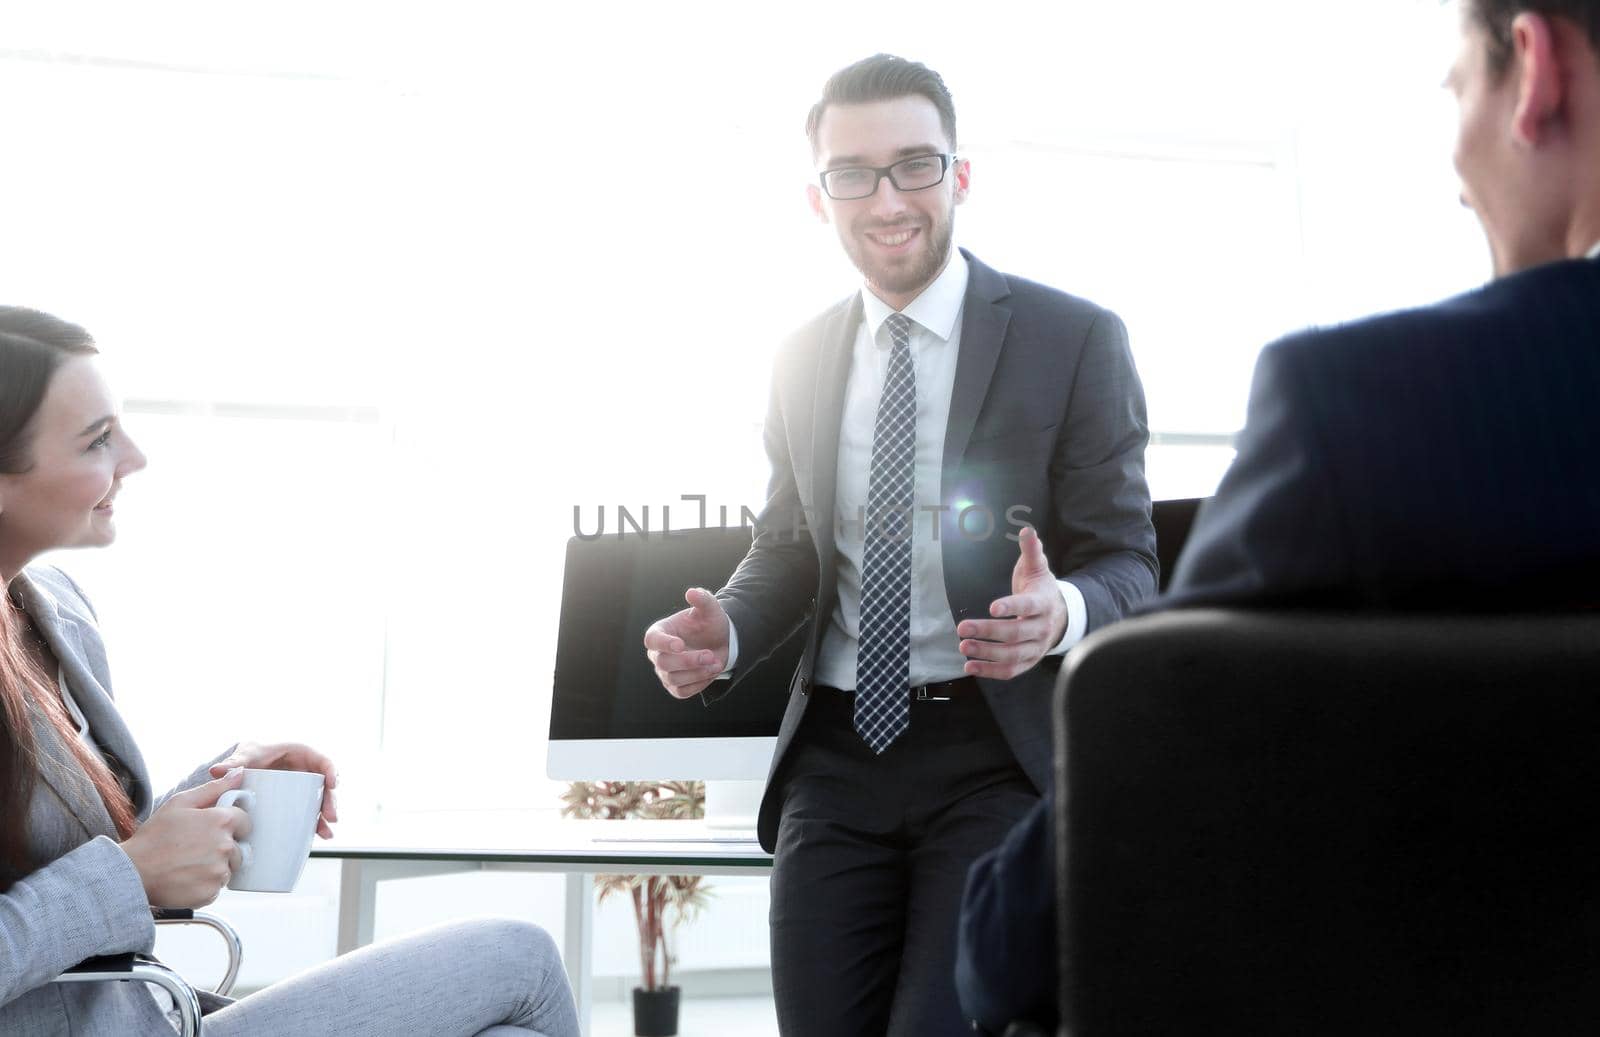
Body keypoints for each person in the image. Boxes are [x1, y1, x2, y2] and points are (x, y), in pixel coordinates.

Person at [955, 0, 1600, 1030]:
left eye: (1457, 92)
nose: (1454, 168)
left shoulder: (1366, 406)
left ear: (1535, 71)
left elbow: (1013, 945)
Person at [642, 55, 1157, 1035]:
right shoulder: (796, 357)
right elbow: (789, 548)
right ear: (817, 195)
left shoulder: (1073, 338)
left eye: (914, 165)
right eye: (853, 173)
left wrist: (1063, 614)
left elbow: (1129, 557)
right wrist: (732, 631)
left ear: (959, 175)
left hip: (992, 750)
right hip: (834, 757)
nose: (886, 198)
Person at [0, 307, 581, 1037]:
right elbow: (107, 879)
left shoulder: (54, 611)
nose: (136, 457)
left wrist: (216, 795)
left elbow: (68, 848)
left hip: (148, 1016)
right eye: (97, 440)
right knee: (519, 957)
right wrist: (132, 873)